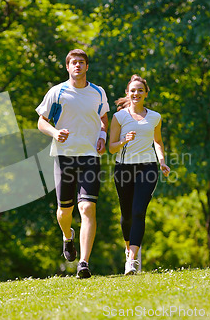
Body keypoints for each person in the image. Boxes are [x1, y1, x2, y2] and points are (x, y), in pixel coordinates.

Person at [36, 49, 109, 278]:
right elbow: (41, 121)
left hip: (90, 156)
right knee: (63, 211)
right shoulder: (56, 92)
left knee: (87, 207)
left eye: (81, 62)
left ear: (87, 66)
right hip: (64, 156)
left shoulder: (98, 92)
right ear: (67, 67)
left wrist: (102, 137)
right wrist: (55, 133)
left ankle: (84, 263)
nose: (77, 65)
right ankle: (68, 236)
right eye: (73, 62)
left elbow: (104, 119)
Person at [109, 74, 170, 275]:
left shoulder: (155, 117)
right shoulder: (119, 117)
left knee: (138, 212)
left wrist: (161, 161)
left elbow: (158, 141)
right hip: (124, 169)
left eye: (140, 90)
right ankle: (128, 249)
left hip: (148, 168)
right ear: (128, 93)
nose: (136, 93)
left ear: (145, 93)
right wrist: (124, 141)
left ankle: (132, 260)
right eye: (133, 90)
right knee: (126, 215)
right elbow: (111, 148)